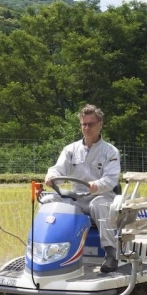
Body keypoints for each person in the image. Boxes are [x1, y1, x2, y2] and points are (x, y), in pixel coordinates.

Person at [45, 104, 122, 273]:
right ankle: (49, 250)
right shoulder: (70, 150)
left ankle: (110, 253)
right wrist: (51, 176)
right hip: (78, 198)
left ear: (100, 124)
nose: (87, 128)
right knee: (48, 201)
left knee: (98, 205)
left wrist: (97, 185)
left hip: (102, 196)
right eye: (84, 124)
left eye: (91, 124)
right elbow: (58, 168)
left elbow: (110, 180)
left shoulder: (110, 152)